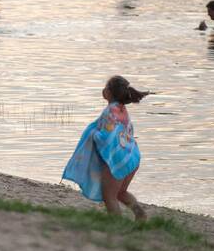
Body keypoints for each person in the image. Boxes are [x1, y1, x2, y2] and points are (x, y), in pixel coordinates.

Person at [62, 75, 149, 220]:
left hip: (117, 161)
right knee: (121, 192)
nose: (103, 90)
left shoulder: (109, 112)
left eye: (106, 88)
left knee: (109, 196)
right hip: (131, 157)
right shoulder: (122, 110)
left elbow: (106, 137)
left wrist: (93, 134)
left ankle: (116, 224)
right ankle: (140, 213)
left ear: (109, 93)